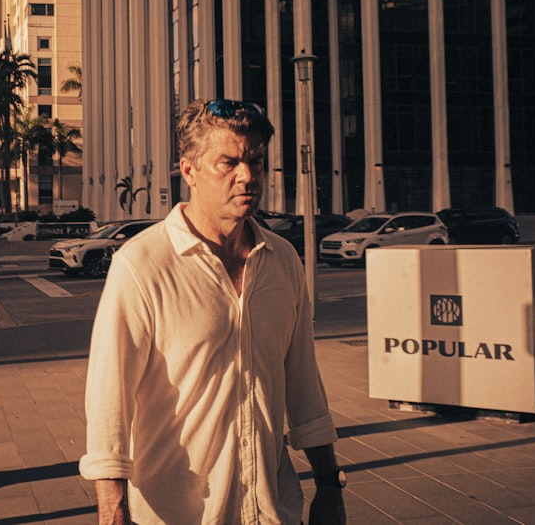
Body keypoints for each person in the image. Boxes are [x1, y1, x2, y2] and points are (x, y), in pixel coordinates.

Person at [80, 99, 346, 525]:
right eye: (229, 163)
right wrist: (112, 510)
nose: (247, 176)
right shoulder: (142, 265)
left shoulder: (282, 260)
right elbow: (109, 400)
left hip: (273, 510)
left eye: (255, 161)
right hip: (177, 514)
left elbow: (303, 385)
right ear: (189, 170)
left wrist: (330, 484)